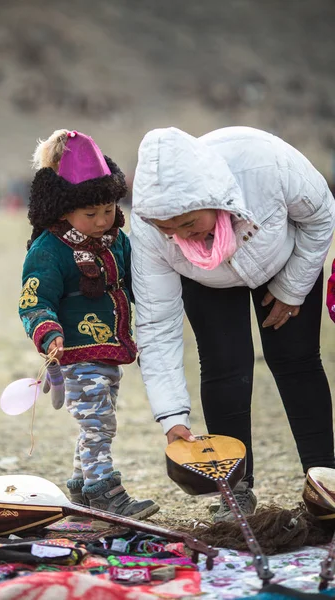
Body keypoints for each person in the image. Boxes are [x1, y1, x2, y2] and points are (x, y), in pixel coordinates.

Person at [130, 125, 335, 522]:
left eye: (189, 224)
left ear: (215, 199)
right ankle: (236, 487)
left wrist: (293, 289)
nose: (179, 236)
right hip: (207, 281)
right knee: (225, 367)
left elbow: (321, 214)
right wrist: (172, 417)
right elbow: (157, 324)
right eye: (167, 228)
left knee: (296, 360)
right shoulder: (151, 230)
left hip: (285, 258)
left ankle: (325, 478)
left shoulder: (265, 163)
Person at [19, 129, 159, 521]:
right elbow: (34, 300)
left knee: (96, 420)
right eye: (90, 214)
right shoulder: (49, 249)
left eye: (108, 210)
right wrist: (49, 332)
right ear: (64, 210)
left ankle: (81, 488)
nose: (102, 221)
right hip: (75, 353)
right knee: (98, 423)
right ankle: (104, 491)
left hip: (110, 351)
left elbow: (137, 282)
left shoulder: (118, 241)